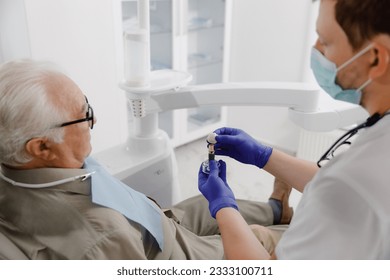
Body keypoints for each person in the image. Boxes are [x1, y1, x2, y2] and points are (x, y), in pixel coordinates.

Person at [0, 58, 292, 260]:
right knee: (260, 238)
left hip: (150, 221)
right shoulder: (100, 237)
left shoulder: (23, 167)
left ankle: (275, 208)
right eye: (83, 114)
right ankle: (278, 230)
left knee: (204, 205)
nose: (94, 119)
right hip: (167, 257)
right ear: (42, 148)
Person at [198, 0, 390, 259]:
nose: (316, 50)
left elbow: (346, 188)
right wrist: (262, 155)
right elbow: (339, 187)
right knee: (257, 233)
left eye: (325, 41)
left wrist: (222, 206)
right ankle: (277, 210)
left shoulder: (353, 181)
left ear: (376, 58)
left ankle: (274, 210)